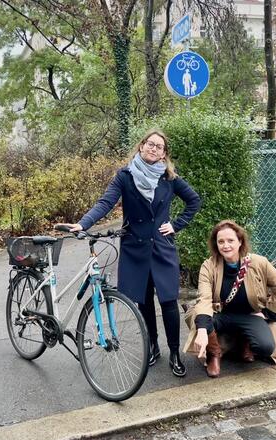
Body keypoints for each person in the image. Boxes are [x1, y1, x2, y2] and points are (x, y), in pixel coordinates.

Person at [63, 130, 201, 377]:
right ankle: (153, 348)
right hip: (135, 248)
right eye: (150, 144)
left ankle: (175, 354)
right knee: (144, 301)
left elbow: (194, 201)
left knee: (168, 301)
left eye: (159, 147)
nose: (154, 149)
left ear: (164, 154)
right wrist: (84, 224)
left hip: (161, 247)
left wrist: (176, 225)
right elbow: (106, 202)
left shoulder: (169, 178)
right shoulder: (125, 176)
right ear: (141, 147)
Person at [183, 220, 276, 377]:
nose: (225, 245)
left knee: (266, 347)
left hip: (249, 315)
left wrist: (268, 313)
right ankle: (214, 354)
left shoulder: (259, 262)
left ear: (240, 241)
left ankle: (244, 341)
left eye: (230, 240)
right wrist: (202, 331)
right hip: (220, 315)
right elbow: (204, 299)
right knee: (197, 316)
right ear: (216, 245)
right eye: (221, 241)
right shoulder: (209, 266)